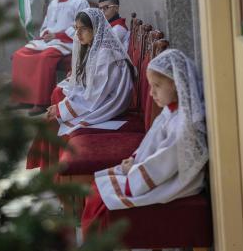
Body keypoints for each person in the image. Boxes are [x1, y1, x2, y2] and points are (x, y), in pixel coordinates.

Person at [81, 49, 208, 235]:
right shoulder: (171, 110)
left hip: (175, 182)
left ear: (175, 84)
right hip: (158, 174)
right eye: (150, 86)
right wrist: (134, 160)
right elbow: (152, 143)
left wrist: (133, 171)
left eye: (157, 86)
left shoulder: (184, 123)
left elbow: (164, 161)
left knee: (101, 199)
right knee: (98, 187)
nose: (151, 93)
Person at [45, 8, 135, 136]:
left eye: (83, 29)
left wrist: (60, 109)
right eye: (76, 29)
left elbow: (96, 95)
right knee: (56, 112)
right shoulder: (94, 46)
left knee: (54, 123)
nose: (78, 34)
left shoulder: (105, 54)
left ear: (96, 28)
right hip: (101, 98)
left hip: (108, 104)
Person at [11, 0, 89, 115]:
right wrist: (45, 34)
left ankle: (41, 102)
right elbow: (46, 24)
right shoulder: (53, 2)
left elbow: (81, 26)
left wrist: (57, 35)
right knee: (19, 55)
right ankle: (22, 98)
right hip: (49, 41)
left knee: (44, 58)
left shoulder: (80, 1)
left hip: (67, 42)